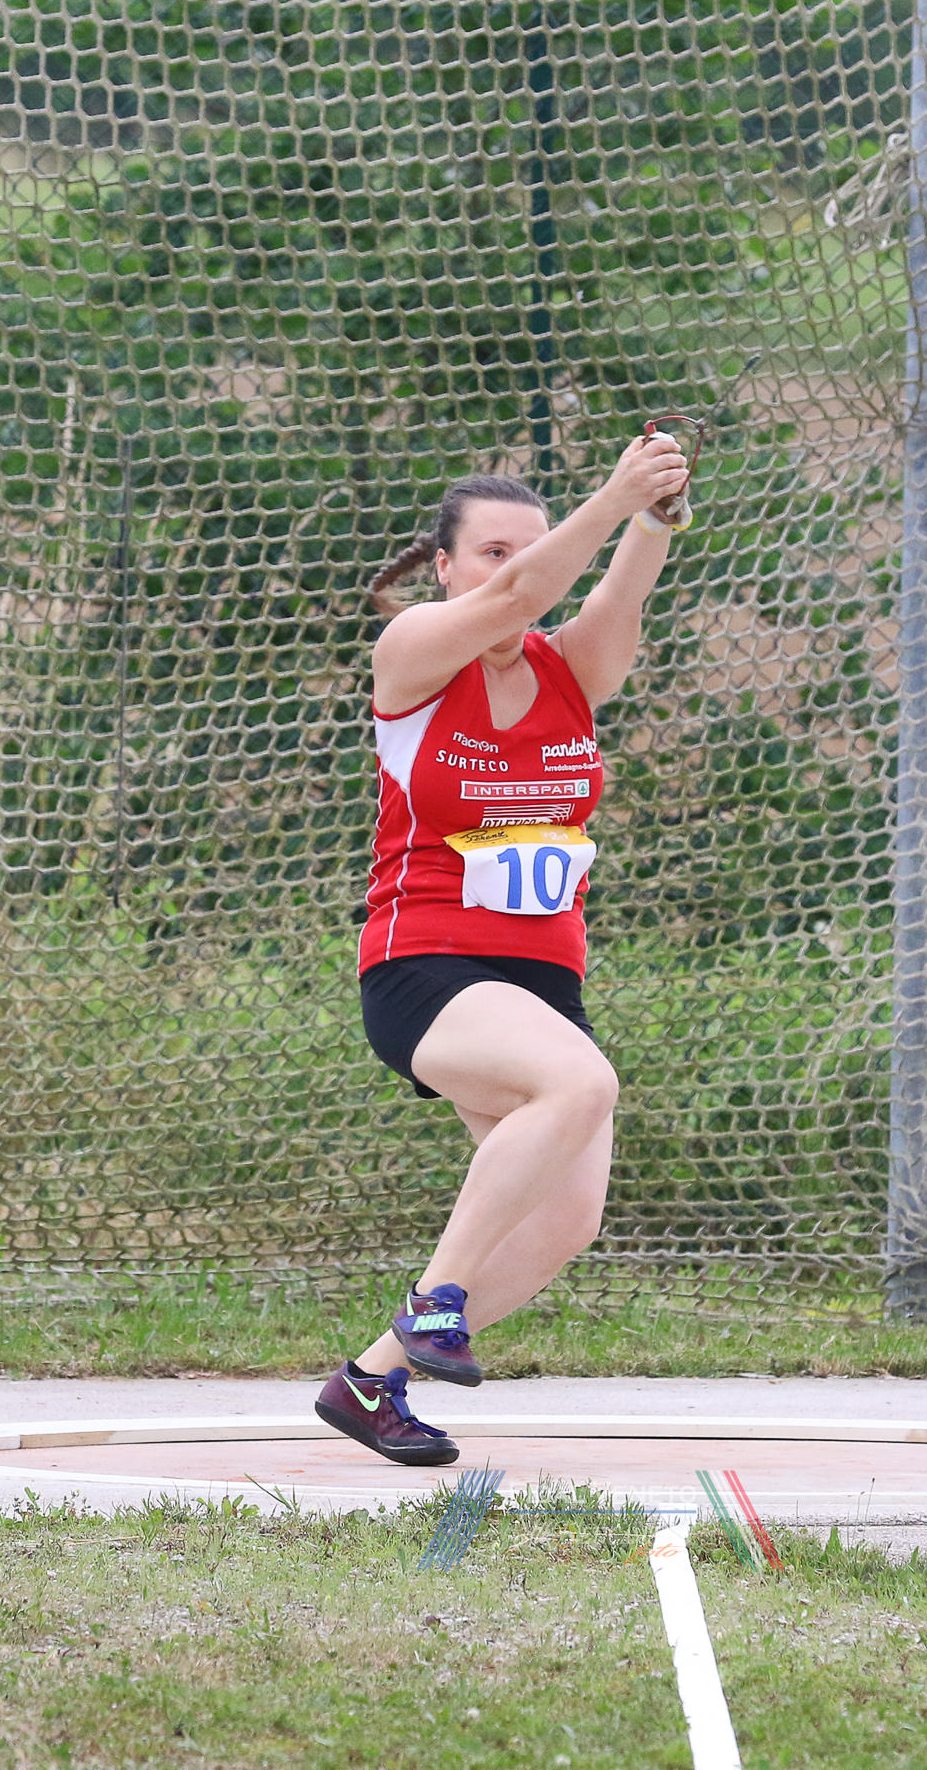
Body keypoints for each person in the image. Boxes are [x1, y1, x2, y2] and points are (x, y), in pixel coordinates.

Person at [313, 430, 693, 1465]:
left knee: (567, 1216)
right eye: (491, 552)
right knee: (582, 1083)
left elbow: (617, 594)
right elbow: (526, 592)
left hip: (541, 980)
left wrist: (652, 514)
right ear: (444, 568)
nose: (516, 570)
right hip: (426, 963)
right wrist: (610, 497)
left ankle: (370, 1381)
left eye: (528, 549)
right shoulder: (413, 654)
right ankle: (436, 1300)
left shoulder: (571, 668)